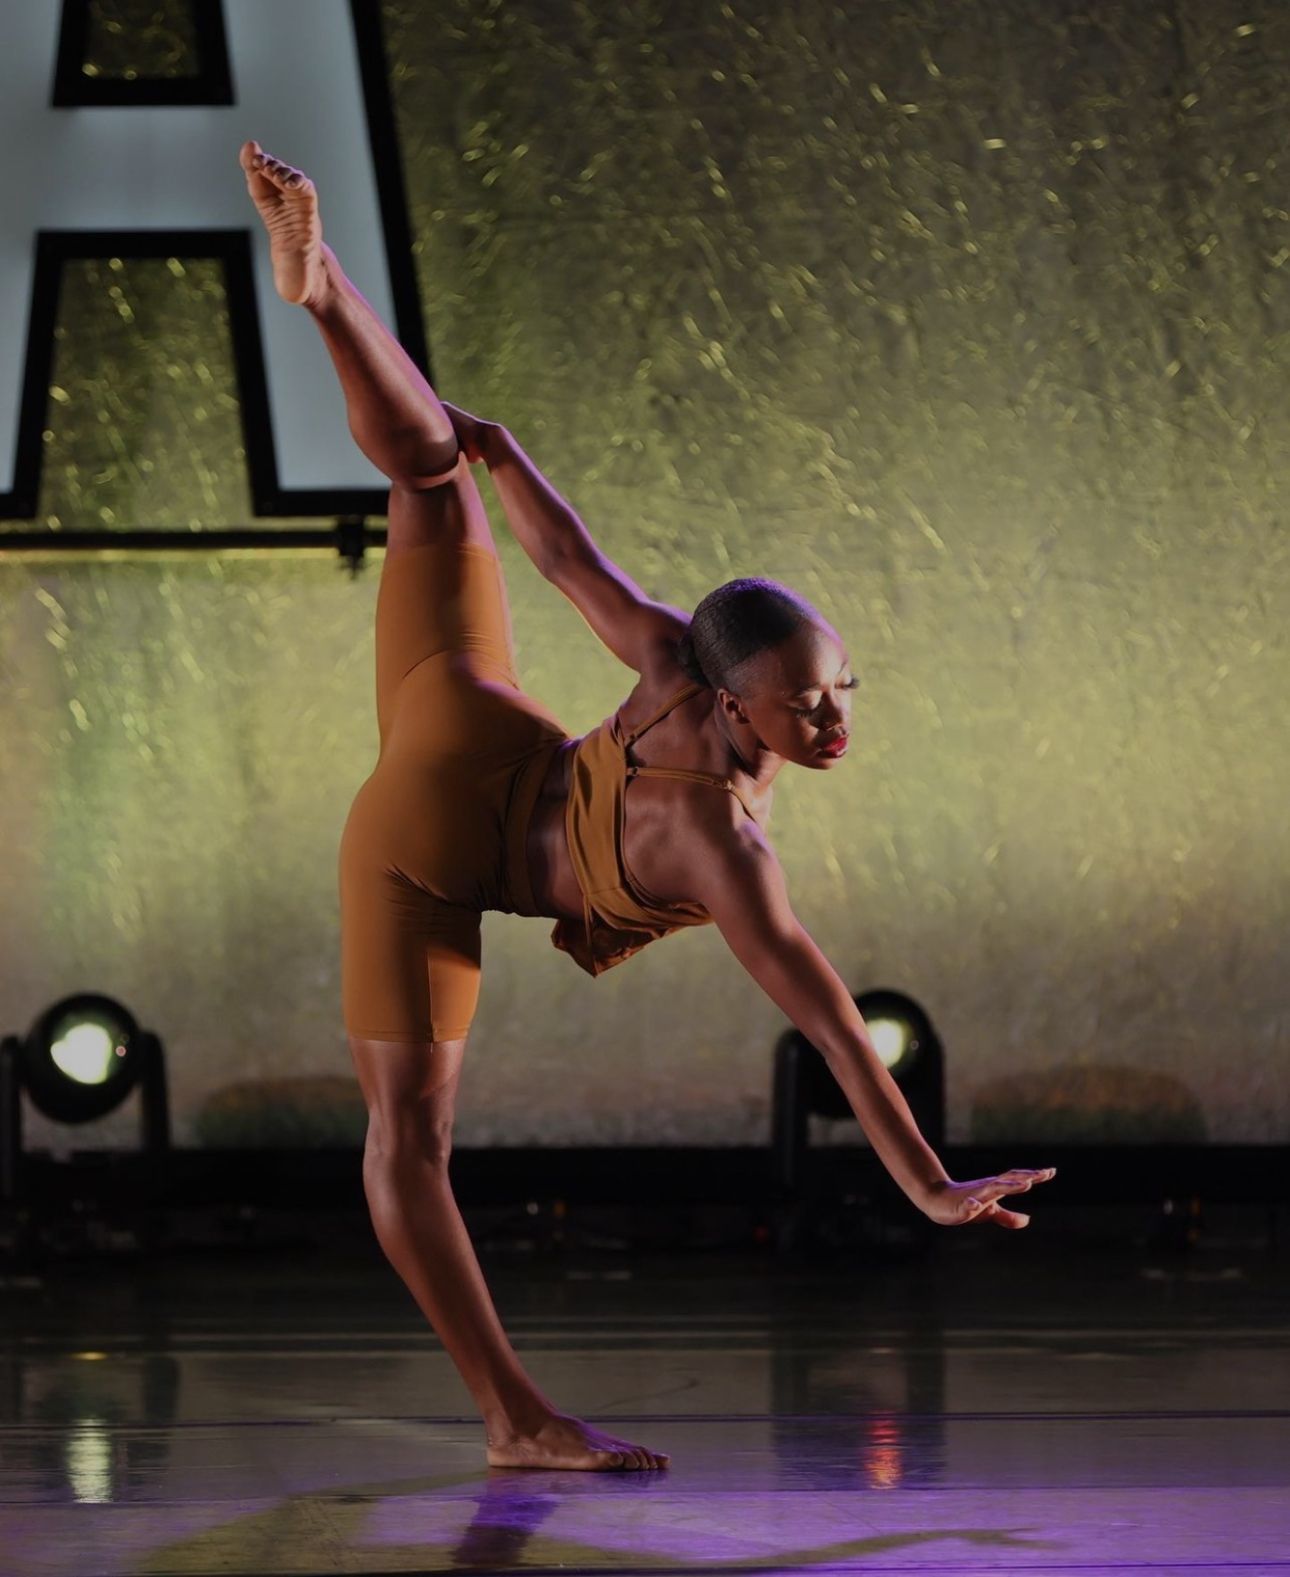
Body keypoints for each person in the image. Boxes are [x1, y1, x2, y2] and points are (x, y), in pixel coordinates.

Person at [239, 140, 1057, 1473]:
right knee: (408, 1140)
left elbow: (569, 562)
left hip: (463, 717)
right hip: (426, 855)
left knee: (432, 475)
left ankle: (322, 285)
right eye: (803, 705)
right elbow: (829, 1020)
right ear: (734, 705)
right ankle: (515, 1421)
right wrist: (926, 1182)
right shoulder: (723, 845)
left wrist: (501, 458)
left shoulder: (674, 657)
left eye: (842, 691)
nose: (832, 721)